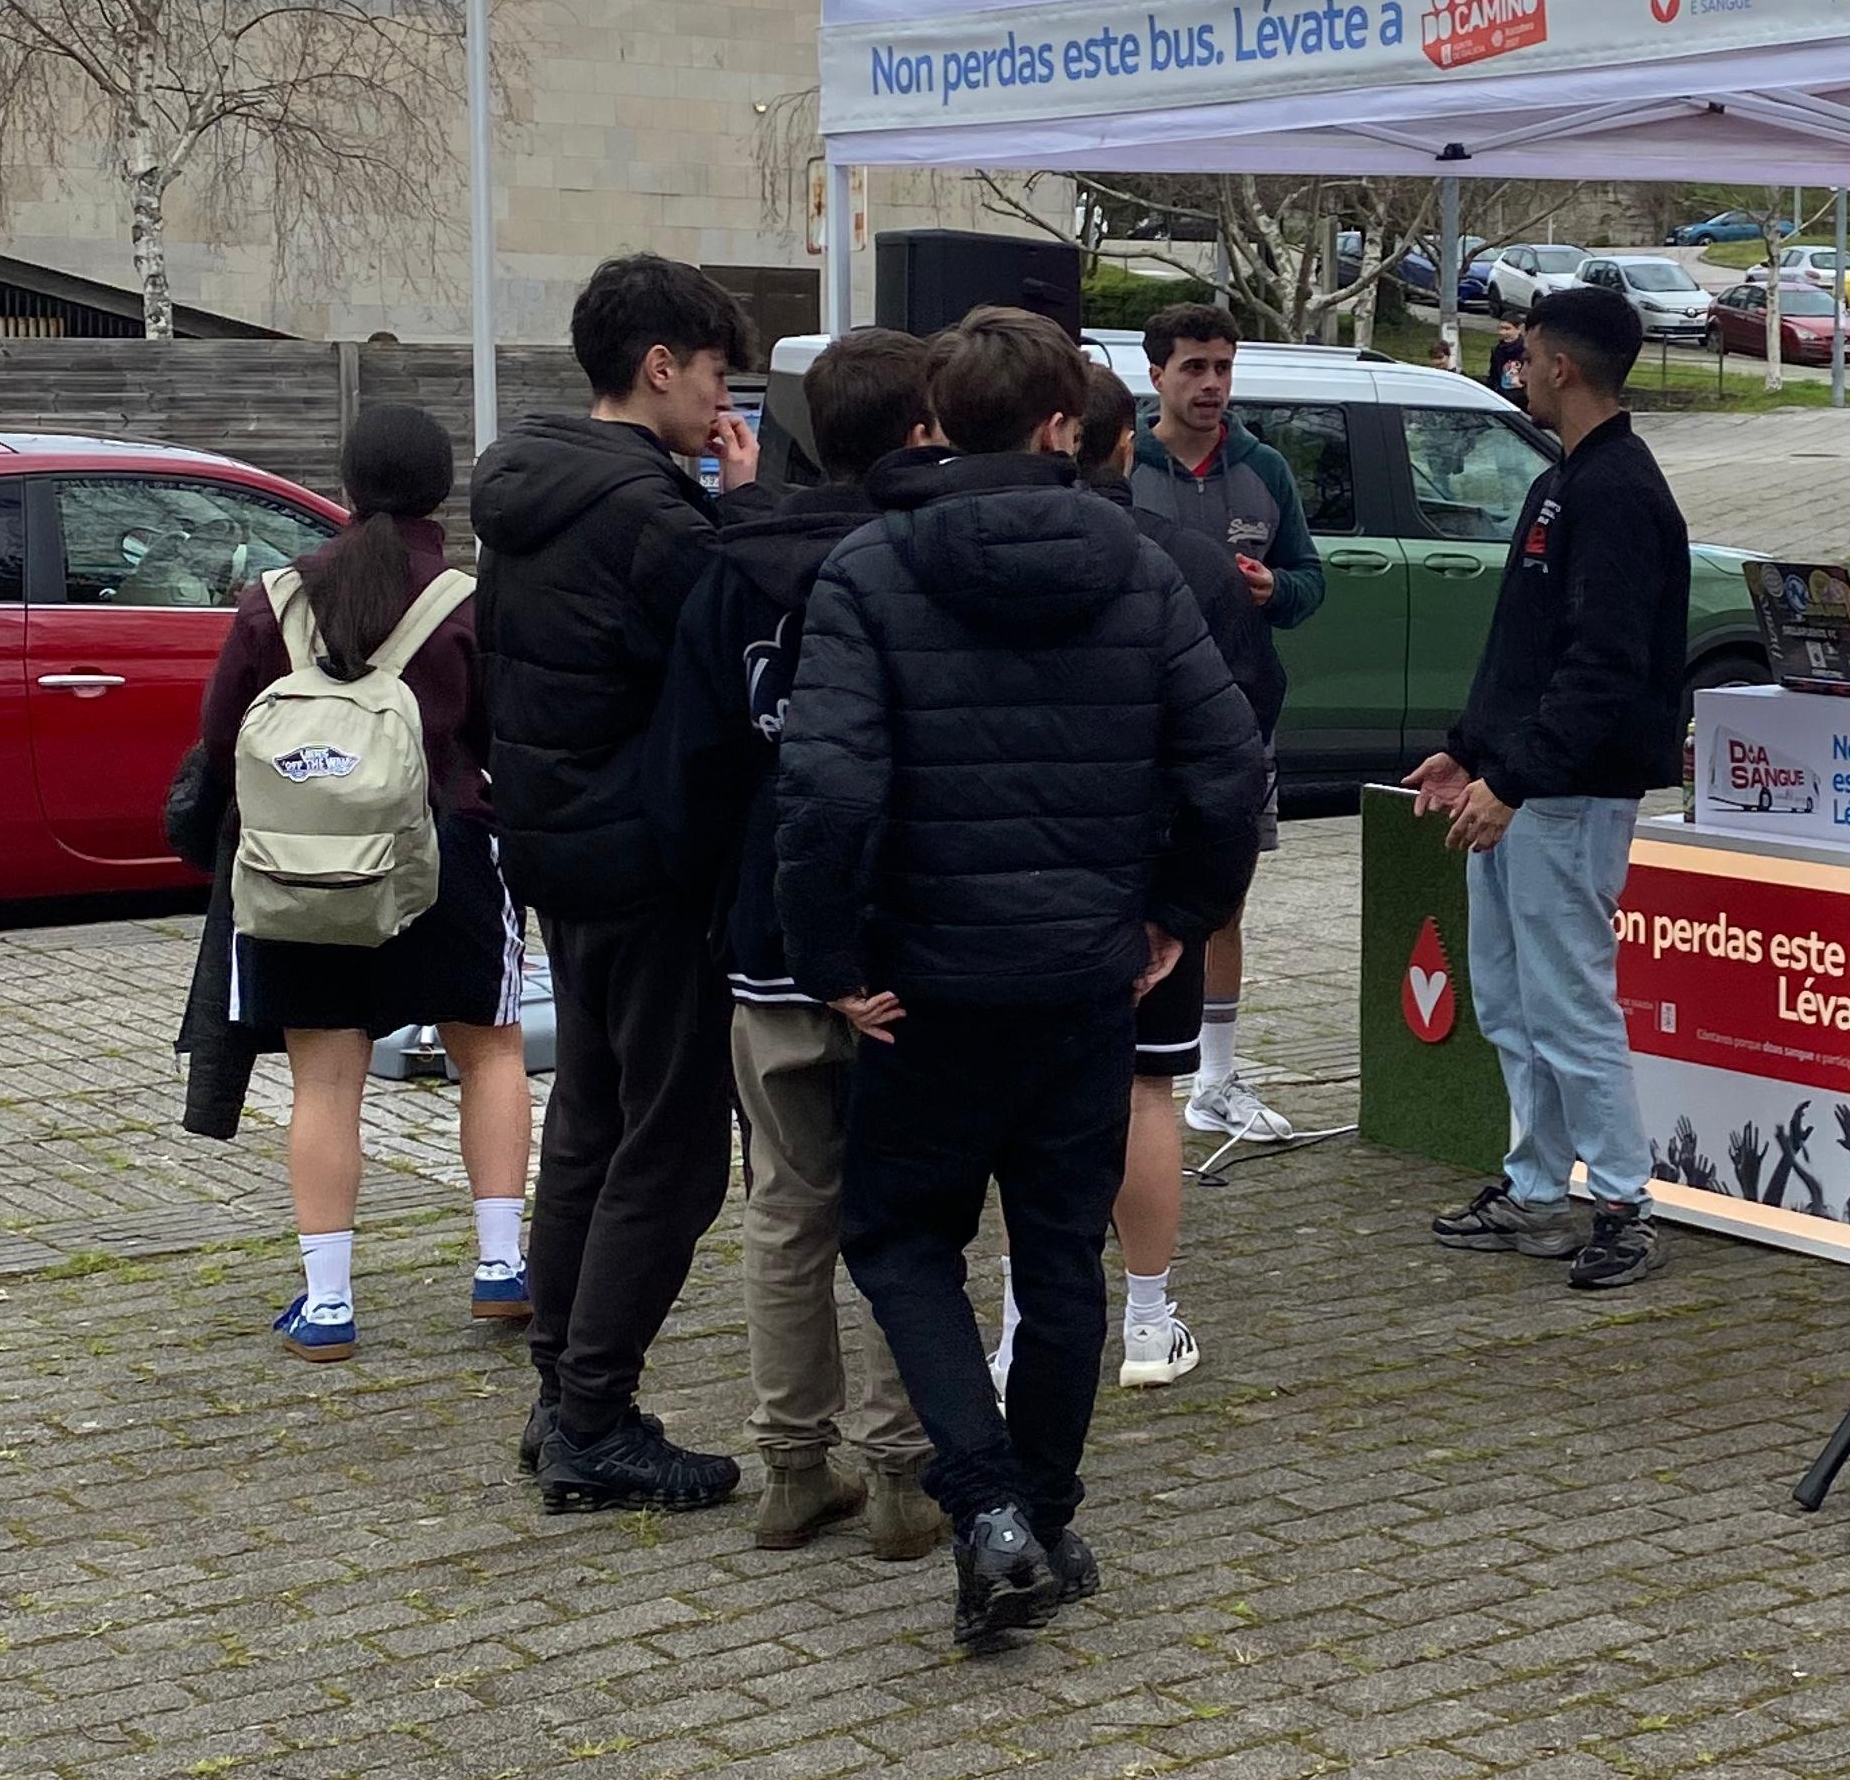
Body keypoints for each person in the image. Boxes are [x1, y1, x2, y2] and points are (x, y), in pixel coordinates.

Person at [776, 310, 1265, 1645]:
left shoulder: (870, 569)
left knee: (898, 1236)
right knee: (1060, 1254)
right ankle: (1035, 1508)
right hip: (1078, 981)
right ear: (1063, 423)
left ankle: (994, 1502)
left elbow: (822, 786)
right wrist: (1176, 911)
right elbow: (1228, 768)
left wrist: (828, 956)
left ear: (941, 418)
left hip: (924, 981)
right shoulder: (1146, 562)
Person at [471, 252, 766, 1512]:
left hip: (556, 851)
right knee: (677, 1148)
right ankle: (595, 1415)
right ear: (660, 367)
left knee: (591, 1120)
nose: (722, 403)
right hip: (649, 862)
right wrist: (742, 514)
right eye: (713, 375)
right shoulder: (650, 514)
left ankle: (562, 1396)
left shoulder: (531, 490)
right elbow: (739, 655)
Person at [646, 328, 946, 1560]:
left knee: (786, 1207)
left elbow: (694, 762)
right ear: (925, 424)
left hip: (767, 936)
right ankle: (899, 1479)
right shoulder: (917, 565)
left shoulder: (731, 568)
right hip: (899, 948)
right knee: (906, 1215)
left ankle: (788, 1467)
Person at [193, 406, 529, 1361]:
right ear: (442, 491)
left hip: (304, 871)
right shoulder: (466, 599)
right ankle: (502, 1267)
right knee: (491, 1052)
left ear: (342, 490)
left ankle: (329, 1304)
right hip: (450, 854)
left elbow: (224, 744)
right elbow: (505, 739)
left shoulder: (274, 600)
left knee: (325, 1077)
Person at [1412, 284, 1688, 1293]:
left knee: (1569, 1005)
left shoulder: (1617, 493)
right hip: (1524, 786)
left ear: (1561, 367)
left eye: (1522, 354)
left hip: (1566, 798)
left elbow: (1600, 667)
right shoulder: (1567, 477)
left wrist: (1518, 779)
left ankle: (1623, 1202)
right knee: (1513, 1003)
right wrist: (1470, 751)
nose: (1512, 367)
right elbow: (1525, 649)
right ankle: (1535, 1190)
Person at [1083, 362, 1283, 1389]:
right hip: (1150, 873)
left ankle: (1031, 1325)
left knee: (1034, 1112)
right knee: (1143, 1092)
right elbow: (1242, 729)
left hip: (1011, 888)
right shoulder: (1187, 562)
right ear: (1124, 443)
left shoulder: (938, 557)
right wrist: (1196, 898)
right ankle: (1149, 1322)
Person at [1130, 304, 1325, 1145]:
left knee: (1224, 899)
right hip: (1139, 718)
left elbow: (1310, 579)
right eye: (1194, 369)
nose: (1211, 385)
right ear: (1156, 377)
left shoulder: (1264, 468)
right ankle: (1128, 1069)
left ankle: (1215, 1079)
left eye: (1223, 368)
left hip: (1240, 718)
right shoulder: (1124, 464)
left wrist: (1272, 590)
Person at [1486, 313, 1528, 400]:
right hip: (1502, 397)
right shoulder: (1497, 351)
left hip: (1522, 399)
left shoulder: (1527, 351)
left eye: (1507, 329)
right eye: (1500, 328)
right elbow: (1493, 377)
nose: (1503, 333)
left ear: (1519, 329)